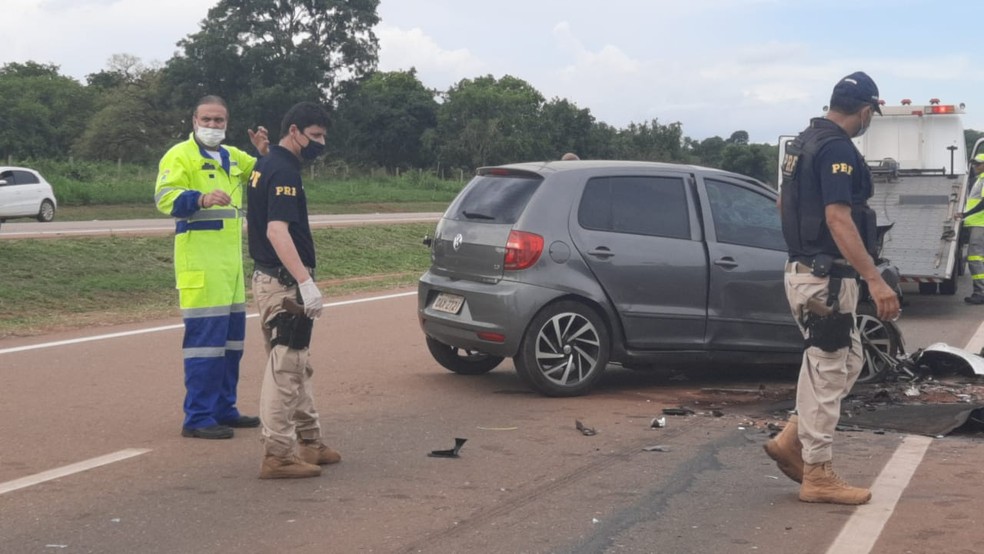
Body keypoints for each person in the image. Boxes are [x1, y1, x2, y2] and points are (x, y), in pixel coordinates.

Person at [765, 71, 900, 505]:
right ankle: (818, 473)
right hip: (825, 279)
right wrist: (875, 280)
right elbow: (838, 218)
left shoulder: (804, 141)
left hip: (808, 272)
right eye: (871, 113)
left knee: (849, 361)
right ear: (865, 110)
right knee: (827, 372)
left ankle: (792, 438)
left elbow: (784, 203)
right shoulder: (837, 148)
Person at [155, 95, 269, 440]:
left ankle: (223, 408)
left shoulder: (233, 156)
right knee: (204, 347)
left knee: (231, 346)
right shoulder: (180, 155)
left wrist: (265, 153)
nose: (212, 125)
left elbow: (265, 174)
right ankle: (198, 416)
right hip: (201, 270)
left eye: (219, 120)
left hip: (230, 271)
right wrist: (200, 199)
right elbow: (165, 198)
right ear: (194, 121)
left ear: (227, 124)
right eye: (206, 119)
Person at [247, 101, 340, 479]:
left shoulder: (268, 163)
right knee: (286, 369)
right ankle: (278, 455)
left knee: (298, 364)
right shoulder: (284, 170)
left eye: (323, 136)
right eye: (315, 135)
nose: (320, 143)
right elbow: (277, 231)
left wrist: (264, 152)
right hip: (284, 283)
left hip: (269, 278)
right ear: (294, 131)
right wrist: (304, 280)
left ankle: (310, 441)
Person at [957, 153, 984, 304]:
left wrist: (965, 214)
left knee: (975, 258)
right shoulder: (979, 179)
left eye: (978, 164)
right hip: (978, 224)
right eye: (974, 164)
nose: (975, 166)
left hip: (980, 224)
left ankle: (980, 293)